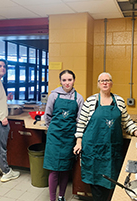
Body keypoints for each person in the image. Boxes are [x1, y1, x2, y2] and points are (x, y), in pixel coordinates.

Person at [73, 72, 137, 201]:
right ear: (98, 84)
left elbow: (126, 121)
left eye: (108, 80)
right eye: (102, 80)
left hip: (111, 151)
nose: (105, 82)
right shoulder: (91, 101)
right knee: (96, 183)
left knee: (111, 181)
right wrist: (78, 141)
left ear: (111, 83)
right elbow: (81, 123)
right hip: (93, 150)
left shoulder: (119, 101)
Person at [43, 70, 84, 201]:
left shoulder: (79, 98)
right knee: (54, 169)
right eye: (64, 80)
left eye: (70, 80)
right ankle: (52, 199)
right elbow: (47, 116)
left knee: (65, 169)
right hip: (54, 137)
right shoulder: (53, 96)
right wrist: (53, 129)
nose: (67, 83)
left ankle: (61, 196)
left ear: (74, 80)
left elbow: (79, 120)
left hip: (69, 138)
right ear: (60, 81)